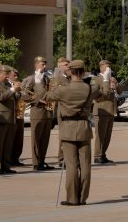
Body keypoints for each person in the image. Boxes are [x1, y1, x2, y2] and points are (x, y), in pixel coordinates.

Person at [46, 59, 102, 206]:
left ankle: (72, 198)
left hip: (68, 127)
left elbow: (47, 96)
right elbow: (100, 89)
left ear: (70, 72)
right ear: (83, 72)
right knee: (85, 165)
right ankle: (83, 197)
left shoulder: (63, 89)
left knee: (71, 165)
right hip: (84, 127)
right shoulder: (90, 89)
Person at [20, 56, 55, 171]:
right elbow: (24, 94)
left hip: (47, 112)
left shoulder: (47, 78)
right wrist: (36, 100)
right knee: (36, 138)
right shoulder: (32, 78)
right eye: (42, 64)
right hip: (37, 112)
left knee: (45, 139)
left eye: (45, 64)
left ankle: (42, 161)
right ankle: (36, 163)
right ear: (36, 65)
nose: (44, 66)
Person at [0, 65, 21, 175]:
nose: (8, 77)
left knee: (8, 145)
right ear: (1, 73)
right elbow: (1, 97)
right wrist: (12, 89)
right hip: (0, 119)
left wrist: (17, 92)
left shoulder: (7, 85)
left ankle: (6, 166)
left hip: (10, 118)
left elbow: (13, 98)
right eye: (7, 74)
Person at [91, 60, 120, 164]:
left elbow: (120, 92)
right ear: (101, 68)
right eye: (107, 67)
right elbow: (95, 93)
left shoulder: (111, 79)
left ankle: (103, 154)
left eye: (110, 67)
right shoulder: (96, 79)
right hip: (101, 109)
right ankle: (97, 155)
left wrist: (116, 85)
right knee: (100, 135)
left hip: (111, 110)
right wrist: (106, 83)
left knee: (107, 135)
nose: (109, 69)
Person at [9, 68, 26, 166]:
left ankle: (16, 158)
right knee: (11, 138)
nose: (16, 77)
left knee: (19, 138)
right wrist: (14, 90)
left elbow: (23, 97)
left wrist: (20, 92)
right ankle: (9, 159)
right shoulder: (6, 85)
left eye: (17, 75)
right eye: (14, 75)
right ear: (9, 75)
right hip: (11, 115)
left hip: (19, 115)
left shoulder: (19, 85)